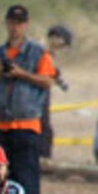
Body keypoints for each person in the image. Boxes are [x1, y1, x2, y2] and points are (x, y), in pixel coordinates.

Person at [0, 3, 57, 194]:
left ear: (26, 25)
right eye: (12, 23)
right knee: (3, 172)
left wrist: (20, 73)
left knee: (27, 170)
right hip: (3, 123)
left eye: (20, 23)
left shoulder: (37, 53)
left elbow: (48, 80)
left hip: (27, 122)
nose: (16, 27)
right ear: (7, 24)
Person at [39, 23, 74, 160]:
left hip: (43, 93)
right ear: (56, 38)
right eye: (63, 43)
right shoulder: (40, 50)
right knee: (44, 130)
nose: (62, 48)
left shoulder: (49, 54)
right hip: (37, 94)